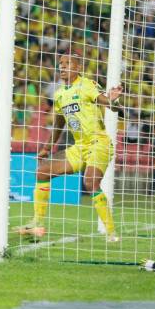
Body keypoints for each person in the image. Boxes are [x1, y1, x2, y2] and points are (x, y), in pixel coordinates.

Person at [18, 53, 121, 241]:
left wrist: (113, 100)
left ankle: (111, 232)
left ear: (78, 68)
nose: (63, 67)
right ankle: (37, 222)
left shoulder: (87, 85)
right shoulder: (59, 94)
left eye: (68, 64)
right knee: (42, 171)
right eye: (61, 64)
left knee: (90, 182)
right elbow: (58, 124)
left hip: (99, 143)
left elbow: (105, 102)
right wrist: (46, 148)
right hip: (79, 147)